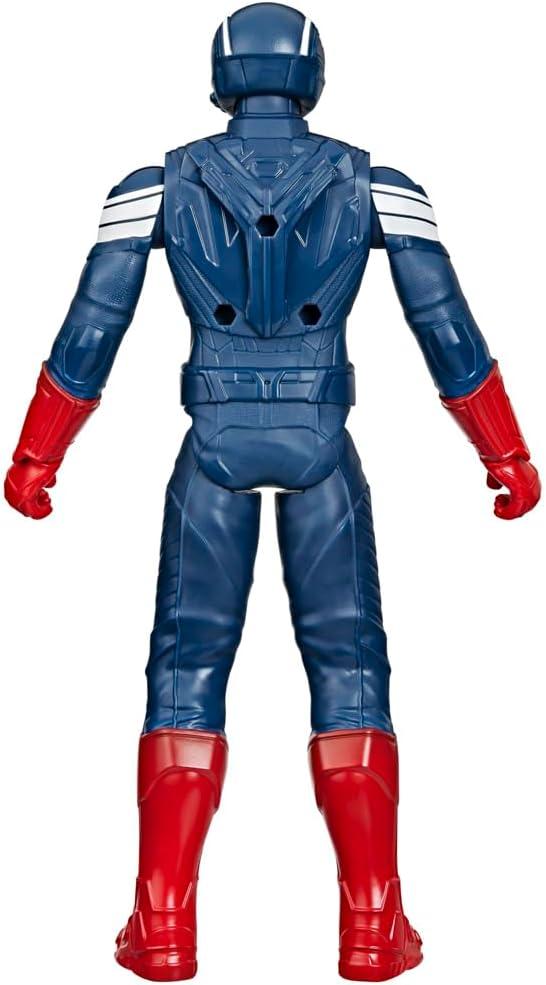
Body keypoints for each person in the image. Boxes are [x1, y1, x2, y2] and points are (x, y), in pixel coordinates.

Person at [4, 4, 540, 981]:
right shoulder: (379, 185)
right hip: (322, 443)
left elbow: (90, 331)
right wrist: (504, 455)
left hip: (210, 443)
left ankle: (163, 923)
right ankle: (371, 924)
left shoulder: (153, 186)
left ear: (222, 74)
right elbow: (447, 329)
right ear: (311, 75)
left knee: (184, 668)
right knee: (351, 668)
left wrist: (38, 458)